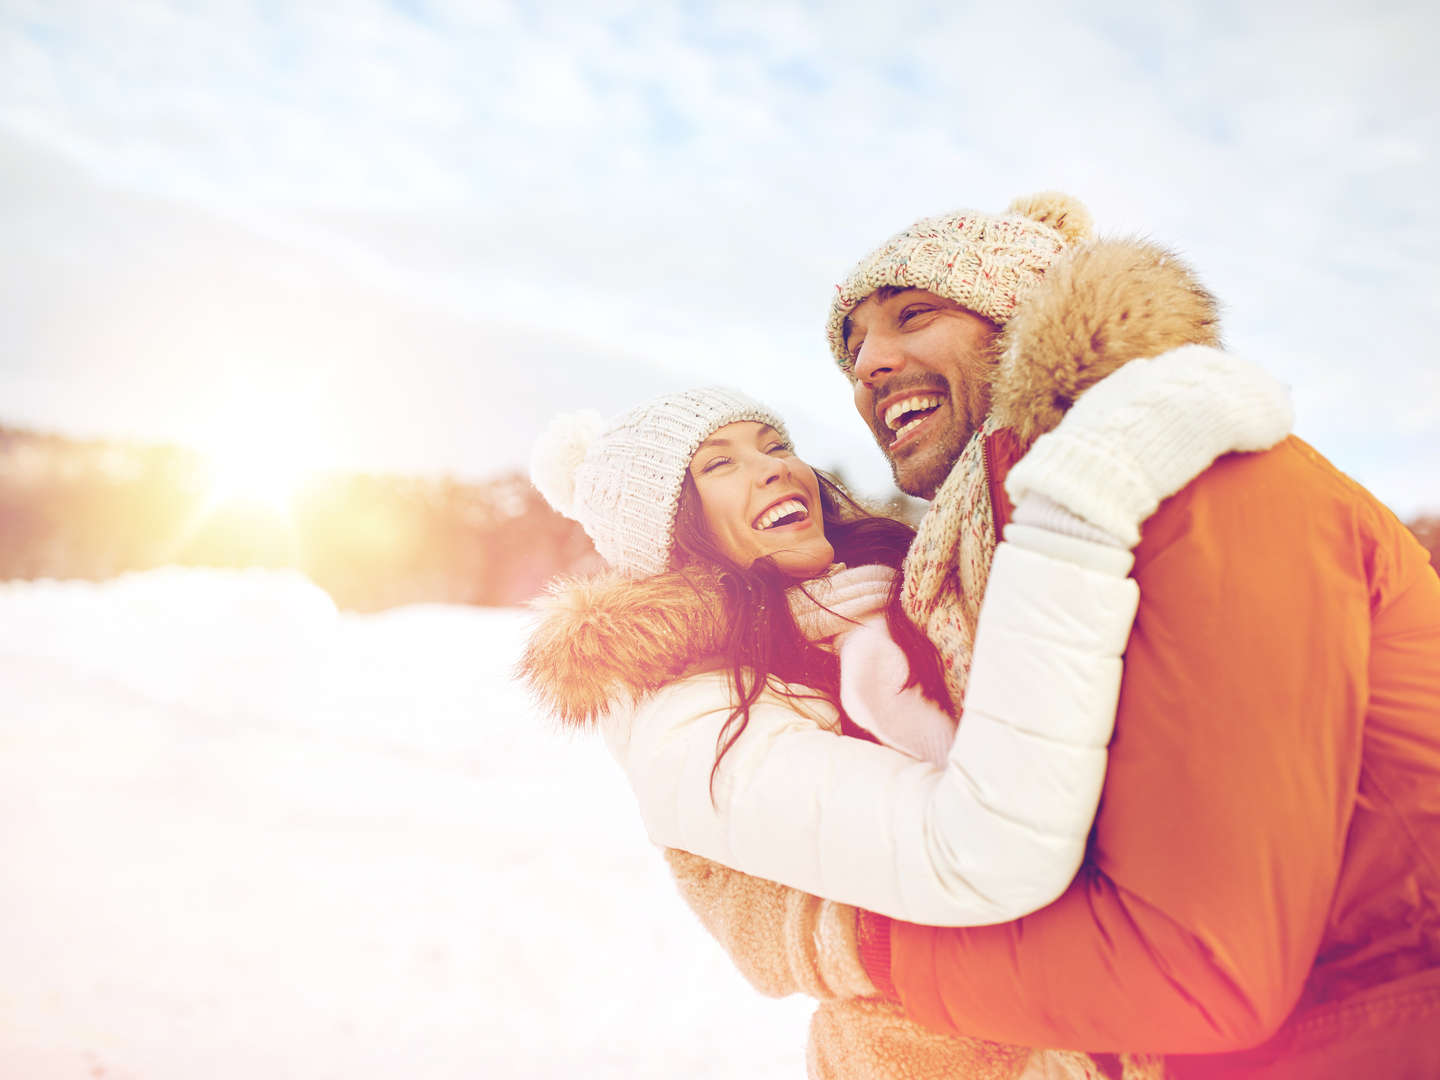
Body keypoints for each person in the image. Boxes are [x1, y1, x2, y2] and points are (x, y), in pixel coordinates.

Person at [677, 192, 1440, 1078]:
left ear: (1020, 316)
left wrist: (853, 950)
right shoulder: (1004, 562)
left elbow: (1202, 967)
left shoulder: (1206, 483)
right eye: (850, 352)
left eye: (912, 315)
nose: (869, 366)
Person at [520, 347, 1289, 1072]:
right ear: (668, 534)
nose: (773, 468)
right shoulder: (686, 721)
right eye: (720, 465)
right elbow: (977, 849)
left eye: (772, 443)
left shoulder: (885, 604)